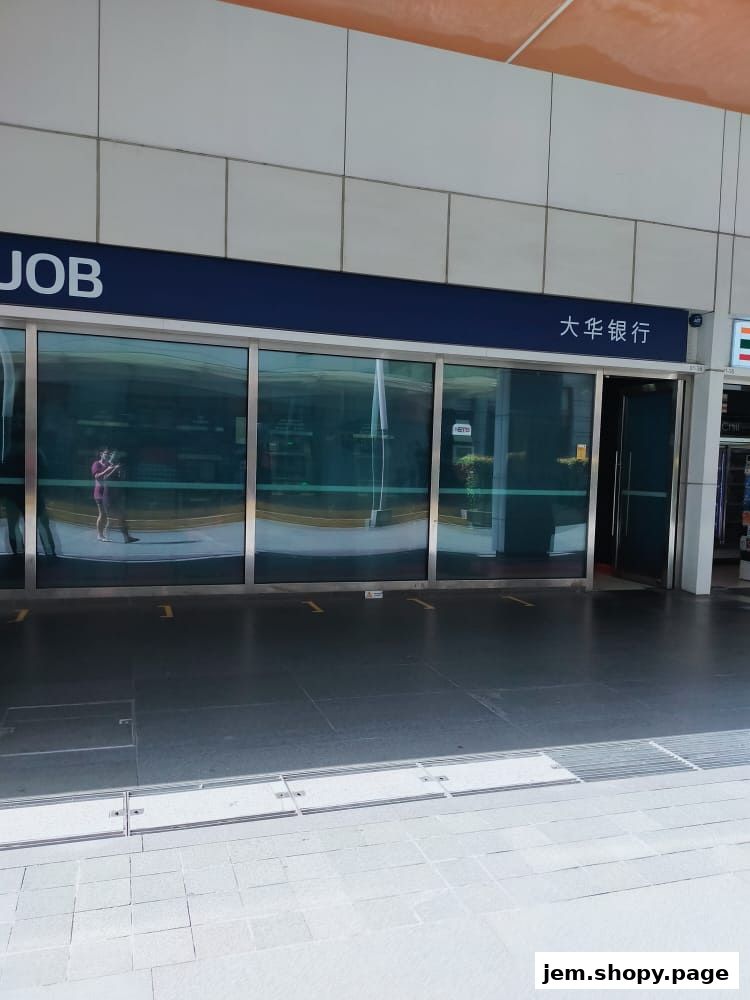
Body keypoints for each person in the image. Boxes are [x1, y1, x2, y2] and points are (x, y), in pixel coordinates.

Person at [104, 449, 138, 543]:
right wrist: (114, 469)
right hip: (108, 496)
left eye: (117, 455)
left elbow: (121, 479)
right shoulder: (106, 465)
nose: (116, 456)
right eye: (114, 454)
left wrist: (121, 471)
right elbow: (105, 478)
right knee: (112, 519)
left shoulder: (117, 465)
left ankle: (127, 537)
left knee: (122, 517)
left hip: (116, 497)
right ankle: (106, 537)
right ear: (111, 455)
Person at [91, 447, 111, 541]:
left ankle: (103, 534)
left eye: (109, 454)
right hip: (99, 492)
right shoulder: (96, 464)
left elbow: (108, 478)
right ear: (101, 454)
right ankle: (99, 535)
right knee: (102, 514)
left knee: (106, 515)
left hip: (107, 493)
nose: (107, 455)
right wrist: (107, 470)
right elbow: (97, 476)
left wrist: (115, 469)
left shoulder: (109, 464)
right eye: (106, 453)